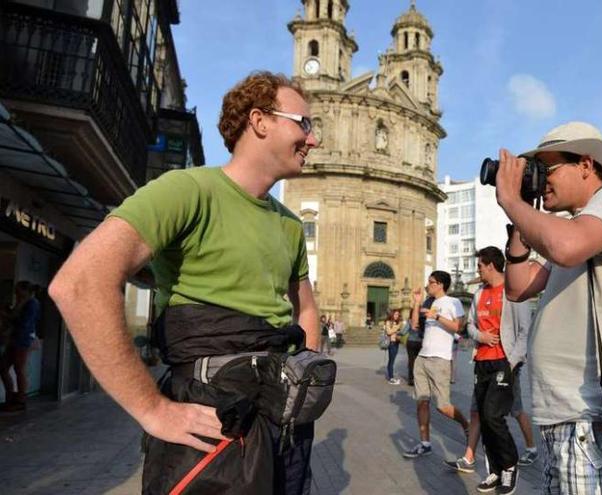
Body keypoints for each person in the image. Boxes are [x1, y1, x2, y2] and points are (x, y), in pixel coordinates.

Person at [48, 72, 320, 494]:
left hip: (283, 429)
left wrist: (305, 385)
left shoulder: (288, 224)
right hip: (214, 427)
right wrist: (151, 408)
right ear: (260, 121)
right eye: (303, 123)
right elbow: (79, 283)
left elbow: (306, 308)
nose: (314, 139)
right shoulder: (187, 190)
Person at [498, 122, 602, 494]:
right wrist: (521, 216)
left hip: (590, 413)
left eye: (546, 169)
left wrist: (512, 201)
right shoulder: (577, 227)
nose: (540, 179)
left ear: (585, 164)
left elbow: (566, 247)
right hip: (566, 414)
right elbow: (519, 288)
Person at [444, 246, 533, 494]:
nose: (478, 270)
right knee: (483, 417)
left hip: (504, 362)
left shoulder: (514, 290)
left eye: (480, 266)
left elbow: (525, 331)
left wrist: (511, 362)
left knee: (494, 416)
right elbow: (469, 325)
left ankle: (510, 466)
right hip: (481, 361)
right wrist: (479, 335)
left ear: (491, 265)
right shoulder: (478, 294)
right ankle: (495, 471)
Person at [403, 271, 469, 459]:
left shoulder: (452, 302)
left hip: (440, 358)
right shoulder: (428, 302)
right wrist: (417, 303)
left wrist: (436, 316)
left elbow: (458, 327)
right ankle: (425, 443)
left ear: (440, 284)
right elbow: (415, 325)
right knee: (421, 401)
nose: (428, 285)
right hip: (423, 357)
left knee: (442, 406)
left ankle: (467, 425)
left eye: (431, 282)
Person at [0, 281, 41, 412]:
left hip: (22, 341)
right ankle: (11, 397)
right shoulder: (22, 302)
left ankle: (20, 400)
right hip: (15, 340)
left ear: (26, 291)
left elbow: (24, 323)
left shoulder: (32, 303)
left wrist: (7, 315)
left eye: (18, 291)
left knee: (19, 369)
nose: (16, 294)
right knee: (3, 368)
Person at [404, 291, 432, 387]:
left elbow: (404, 331)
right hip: (420, 342)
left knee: (411, 361)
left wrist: (398, 333)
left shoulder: (410, 321)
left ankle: (411, 379)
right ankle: (418, 378)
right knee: (419, 361)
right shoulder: (423, 321)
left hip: (411, 342)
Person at [384, 309, 404, 385]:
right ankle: (391, 378)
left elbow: (400, 332)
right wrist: (397, 327)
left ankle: (391, 376)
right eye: (395, 314)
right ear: (392, 314)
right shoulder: (388, 322)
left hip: (397, 342)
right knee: (391, 361)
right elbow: (389, 332)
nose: (397, 316)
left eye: (398, 315)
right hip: (391, 343)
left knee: (393, 360)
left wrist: (400, 329)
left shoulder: (397, 322)